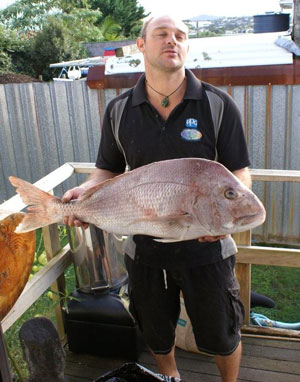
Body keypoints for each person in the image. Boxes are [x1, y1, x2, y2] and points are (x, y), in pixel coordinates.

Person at [62, 15, 252, 382]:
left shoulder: (217, 105)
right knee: (155, 331)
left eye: (180, 35)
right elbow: (107, 170)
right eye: (162, 34)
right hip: (144, 250)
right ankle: (171, 379)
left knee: (222, 332)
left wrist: (227, 217)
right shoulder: (119, 110)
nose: (172, 41)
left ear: (187, 46)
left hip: (207, 248)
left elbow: (239, 172)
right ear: (141, 45)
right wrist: (83, 194)